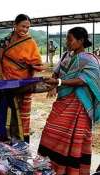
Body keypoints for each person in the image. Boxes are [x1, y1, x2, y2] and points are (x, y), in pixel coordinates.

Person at [38, 27, 100, 175]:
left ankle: (71, 171)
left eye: (69, 39)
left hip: (79, 104)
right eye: (66, 39)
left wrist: (58, 82)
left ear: (81, 41)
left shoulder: (90, 59)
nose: (67, 42)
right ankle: (49, 168)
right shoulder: (66, 55)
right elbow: (57, 71)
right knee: (50, 132)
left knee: (74, 138)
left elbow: (84, 80)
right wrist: (53, 84)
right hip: (62, 102)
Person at [0, 14, 44, 143]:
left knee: (22, 112)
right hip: (7, 81)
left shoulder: (30, 42)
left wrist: (36, 66)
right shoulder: (5, 40)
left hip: (24, 84)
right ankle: (7, 139)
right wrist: (3, 77)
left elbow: (37, 63)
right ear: (15, 25)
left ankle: (22, 139)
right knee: (7, 110)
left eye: (27, 27)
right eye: (23, 26)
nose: (25, 30)